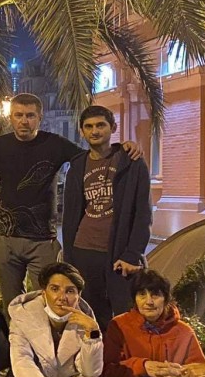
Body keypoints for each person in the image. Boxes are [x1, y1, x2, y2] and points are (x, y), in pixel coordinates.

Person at [0, 93, 140, 307]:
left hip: (43, 240)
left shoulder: (55, 144)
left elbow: (92, 159)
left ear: (40, 117)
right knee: (11, 304)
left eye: (30, 115)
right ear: (10, 117)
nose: (24, 121)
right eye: (18, 115)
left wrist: (121, 148)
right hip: (5, 238)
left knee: (48, 302)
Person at [61, 105, 152, 330]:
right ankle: (97, 354)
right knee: (91, 317)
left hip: (118, 254)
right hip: (84, 250)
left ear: (113, 127)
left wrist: (133, 253)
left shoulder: (131, 162)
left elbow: (143, 212)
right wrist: (69, 255)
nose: (95, 131)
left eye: (100, 125)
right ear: (82, 131)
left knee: (126, 316)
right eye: (89, 126)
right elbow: (70, 214)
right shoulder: (77, 166)